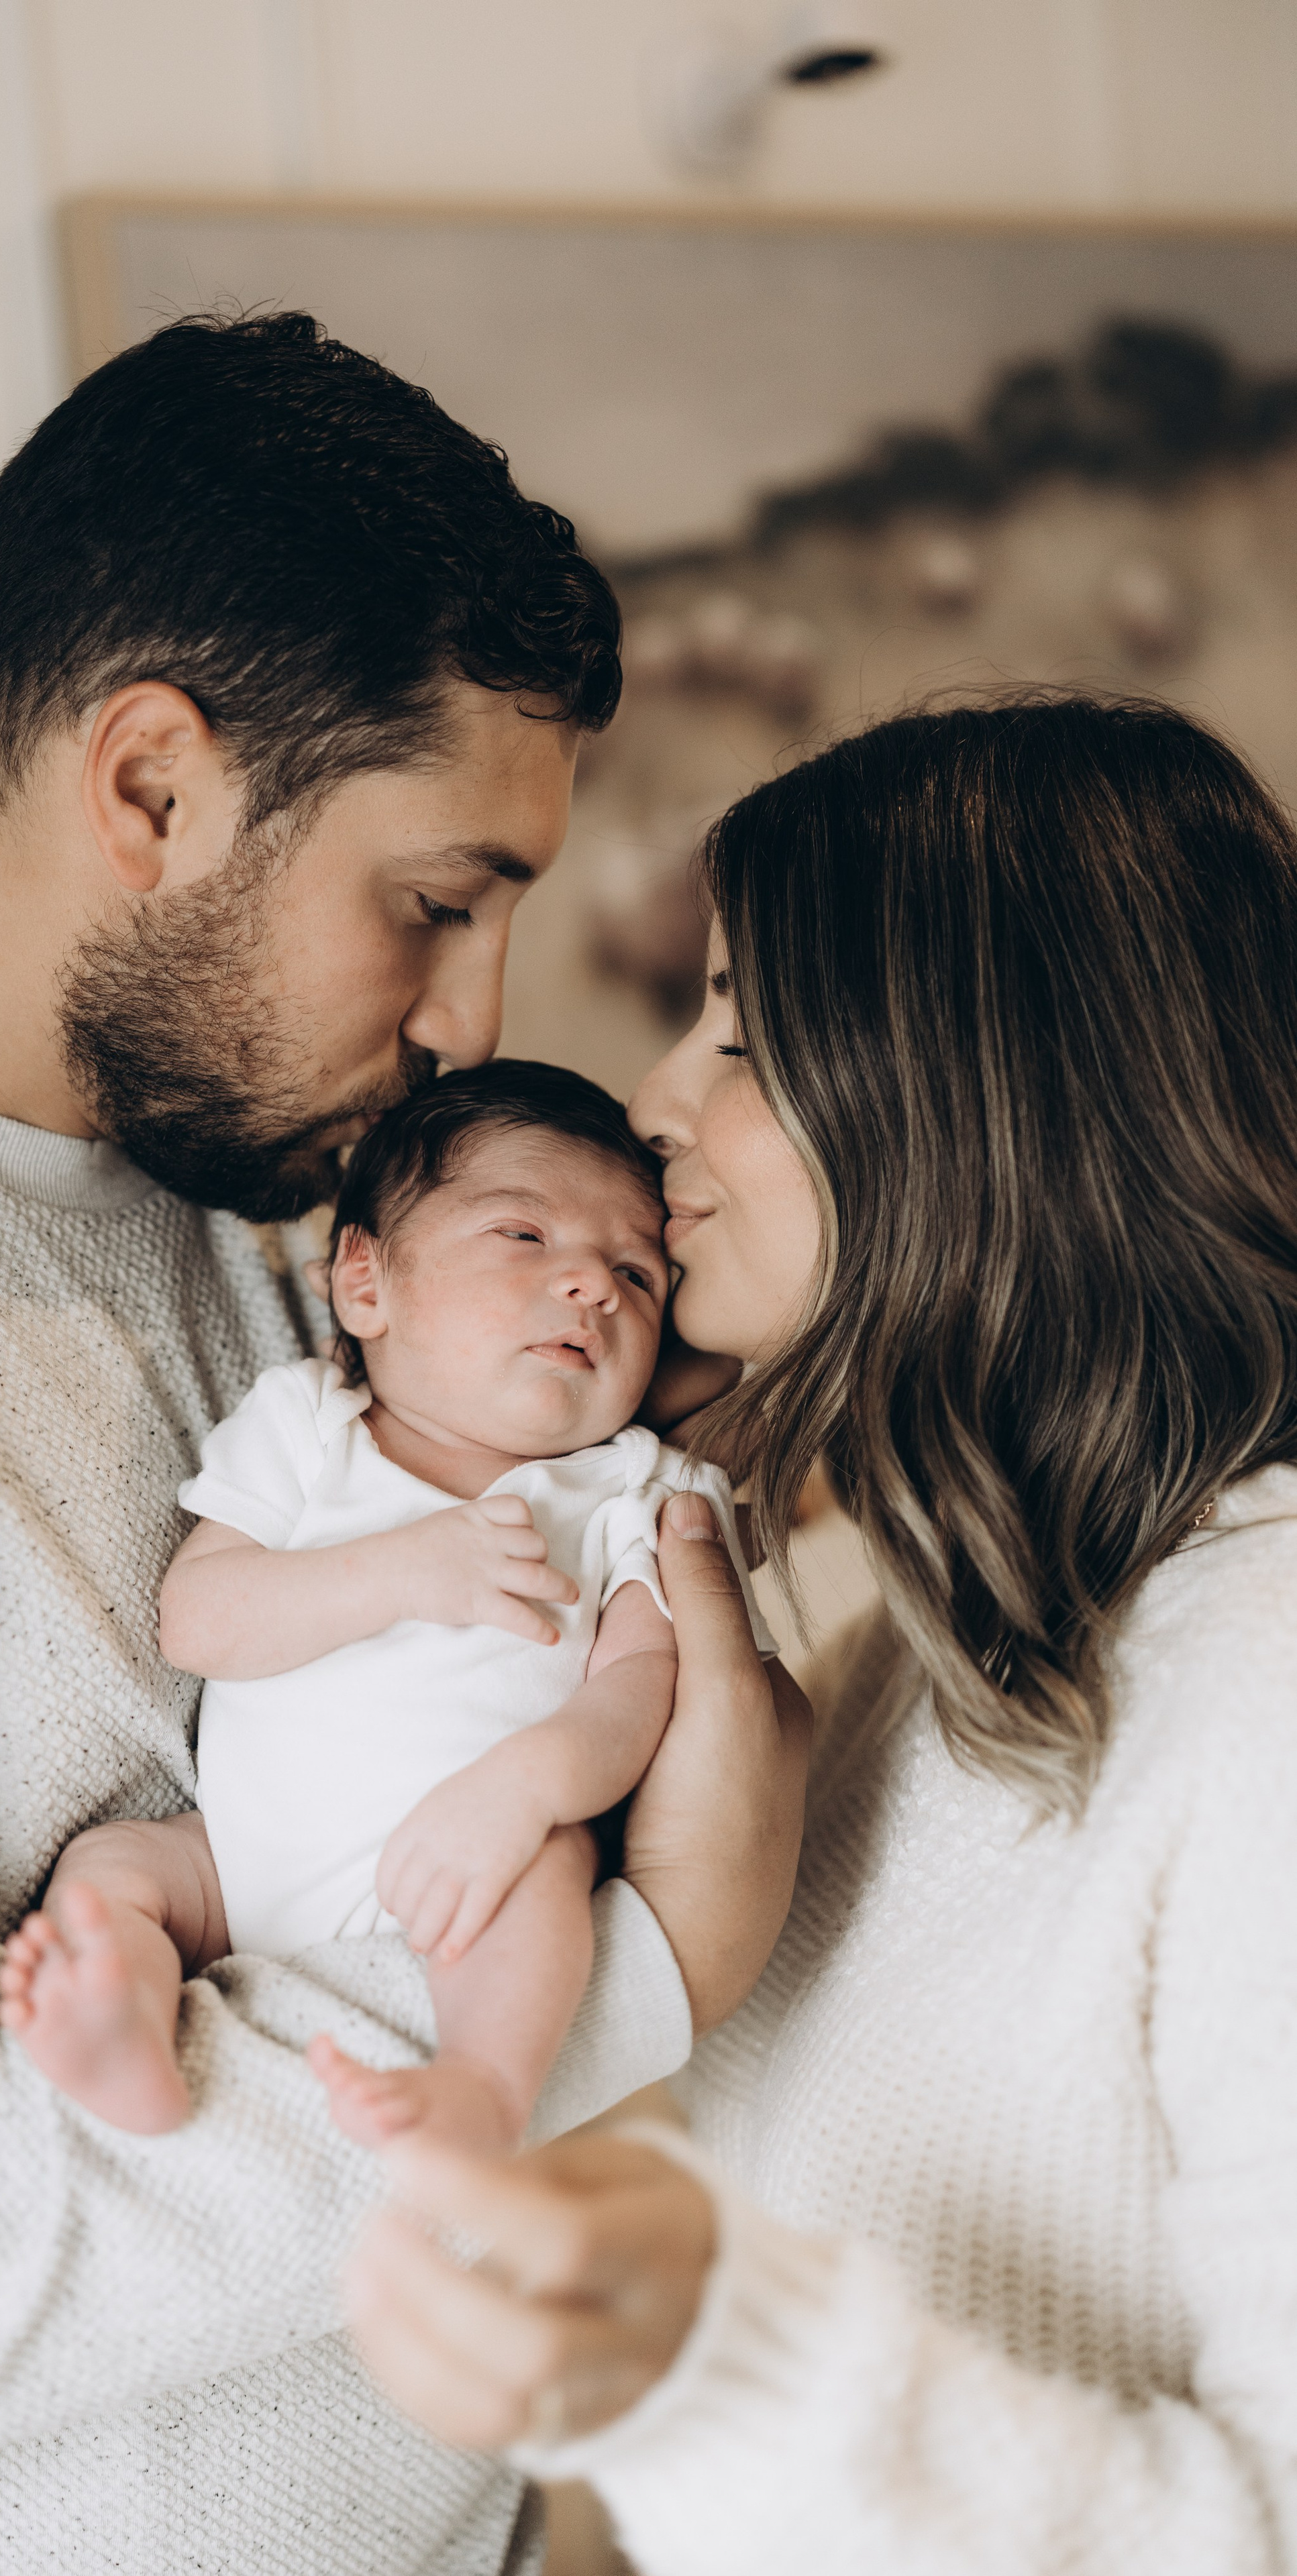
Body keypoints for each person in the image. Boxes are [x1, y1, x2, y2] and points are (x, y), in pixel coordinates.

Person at [0, 313, 808, 2575]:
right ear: (148, 786)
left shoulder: (289, 1191)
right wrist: (629, 1973)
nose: (477, 1027)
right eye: (434, 906)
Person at [345, 696, 1297, 2573]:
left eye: (749, 1036)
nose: (654, 1106)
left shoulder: (1269, 1696)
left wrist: (719, 2362)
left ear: (996, 1099)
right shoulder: (895, 1670)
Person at [0, 1061, 777, 2153]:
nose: (593, 1285)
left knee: (551, 1879)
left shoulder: (622, 1491)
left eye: (638, 1276)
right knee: (118, 1870)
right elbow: (200, 1621)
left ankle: (484, 2087)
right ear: (366, 1285)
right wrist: (404, 1570)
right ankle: (124, 2018)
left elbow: (642, 1689)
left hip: (477, 1857)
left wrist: (530, 1783)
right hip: (241, 1862)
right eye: (524, 1236)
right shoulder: (309, 1428)